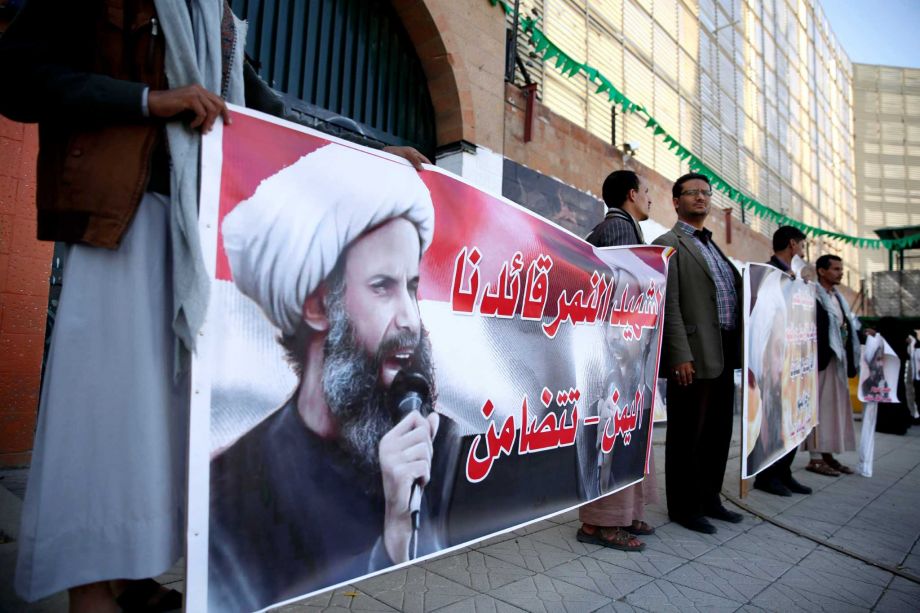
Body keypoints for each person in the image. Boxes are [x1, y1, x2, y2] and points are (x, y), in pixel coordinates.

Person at [0, 2, 428, 611]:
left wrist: (374, 152)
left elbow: (276, 117)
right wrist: (151, 102)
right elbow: (16, 77)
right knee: (104, 421)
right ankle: (91, 593)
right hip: (119, 232)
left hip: (194, 242)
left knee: (161, 426)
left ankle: (129, 579)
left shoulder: (218, 17)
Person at [208, 144, 456, 612]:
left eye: (413, 287)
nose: (410, 319)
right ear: (318, 305)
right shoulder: (230, 491)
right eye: (383, 286)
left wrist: (402, 531)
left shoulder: (443, 447)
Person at [653, 173, 743, 534]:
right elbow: (670, 304)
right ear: (676, 201)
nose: (702, 198)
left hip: (723, 352)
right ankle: (684, 507)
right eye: (693, 193)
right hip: (692, 355)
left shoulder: (712, 245)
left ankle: (710, 498)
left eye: (706, 193)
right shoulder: (669, 242)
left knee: (719, 431)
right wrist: (678, 355)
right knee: (687, 435)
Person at [576, 170, 658, 552]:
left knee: (625, 437)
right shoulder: (621, 232)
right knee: (615, 438)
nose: (649, 199)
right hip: (618, 358)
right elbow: (628, 301)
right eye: (646, 192)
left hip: (617, 357)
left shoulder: (611, 230)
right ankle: (602, 524)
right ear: (630, 194)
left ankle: (623, 515)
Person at [752, 226, 813, 496]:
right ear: (792, 244)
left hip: (795, 360)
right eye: (802, 245)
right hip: (774, 358)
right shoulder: (769, 274)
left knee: (792, 416)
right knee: (773, 418)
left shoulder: (797, 279)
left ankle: (784, 472)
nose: (803, 251)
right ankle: (767, 476)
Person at [804, 255, 860, 476]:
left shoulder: (838, 298)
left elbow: (845, 327)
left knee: (832, 410)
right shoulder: (812, 294)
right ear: (821, 271)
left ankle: (828, 453)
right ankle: (815, 457)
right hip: (819, 362)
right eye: (835, 269)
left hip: (837, 361)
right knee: (817, 409)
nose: (840, 272)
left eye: (841, 268)